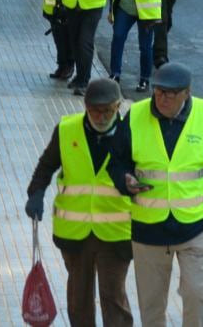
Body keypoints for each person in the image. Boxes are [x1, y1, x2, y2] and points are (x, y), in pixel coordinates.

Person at [105, 63, 203, 327]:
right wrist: (125, 180)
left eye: (170, 93)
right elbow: (116, 161)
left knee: (197, 295)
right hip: (148, 231)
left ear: (186, 93)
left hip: (196, 227)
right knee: (151, 306)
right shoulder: (135, 116)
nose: (161, 98)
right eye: (158, 91)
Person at [25, 77, 133, 327]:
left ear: (118, 106)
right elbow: (46, 165)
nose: (101, 116)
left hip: (115, 233)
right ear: (85, 105)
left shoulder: (131, 134)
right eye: (95, 109)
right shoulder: (67, 130)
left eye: (107, 110)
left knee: (114, 296)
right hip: (75, 233)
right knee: (78, 299)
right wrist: (36, 193)